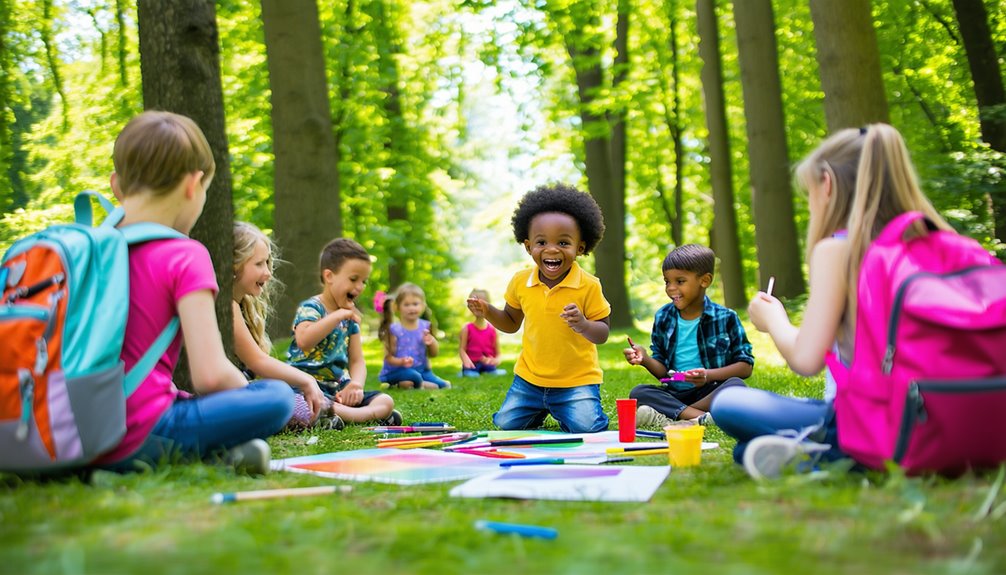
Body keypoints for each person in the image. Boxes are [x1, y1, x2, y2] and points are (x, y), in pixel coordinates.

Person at [710, 123, 952, 480]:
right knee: (749, 450)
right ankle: (815, 454)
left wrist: (773, 319)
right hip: (952, 420)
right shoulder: (940, 242)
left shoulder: (840, 250)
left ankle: (837, 455)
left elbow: (806, 360)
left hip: (877, 421)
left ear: (827, 184)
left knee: (729, 403)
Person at [95, 111, 295, 475]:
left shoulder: (92, 251)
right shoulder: (185, 255)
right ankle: (219, 448)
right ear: (194, 184)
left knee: (181, 400)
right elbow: (211, 376)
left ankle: (218, 451)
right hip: (140, 434)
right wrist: (248, 397)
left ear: (116, 185)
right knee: (278, 397)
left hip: (75, 429)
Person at [468, 183, 611, 433]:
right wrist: (488, 311)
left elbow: (602, 333)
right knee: (506, 423)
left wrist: (583, 324)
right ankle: (540, 409)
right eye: (541, 242)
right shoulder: (521, 281)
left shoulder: (589, 285)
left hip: (576, 382)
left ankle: (564, 408)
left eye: (564, 243)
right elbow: (511, 323)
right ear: (528, 246)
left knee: (587, 427)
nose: (552, 249)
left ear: (580, 247)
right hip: (529, 380)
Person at [232, 221, 349, 430]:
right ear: (234, 264)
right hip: (232, 395)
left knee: (283, 392)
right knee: (283, 396)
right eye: (259, 264)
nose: (268, 273)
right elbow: (257, 361)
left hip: (240, 392)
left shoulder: (239, 305)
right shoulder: (227, 306)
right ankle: (342, 413)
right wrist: (307, 381)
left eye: (268, 263)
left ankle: (329, 412)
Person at [623, 244, 754, 429]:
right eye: (667, 281)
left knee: (736, 386)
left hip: (710, 391)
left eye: (680, 281)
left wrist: (707, 376)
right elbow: (662, 372)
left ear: (705, 280)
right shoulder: (663, 317)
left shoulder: (726, 317)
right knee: (639, 392)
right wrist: (645, 359)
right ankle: (699, 419)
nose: (671, 288)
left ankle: (674, 417)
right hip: (675, 393)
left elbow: (745, 367)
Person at [286, 238, 401, 425]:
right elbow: (304, 340)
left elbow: (357, 360)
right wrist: (337, 316)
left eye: (364, 281)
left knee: (385, 401)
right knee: (302, 403)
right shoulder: (312, 308)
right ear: (329, 276)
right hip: (307, 386)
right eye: (353, 279)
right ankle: (354, 414)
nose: (360, 287)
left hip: (338, 388)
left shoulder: (349, 316)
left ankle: (340, 414)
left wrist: (356, 385)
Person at [378, 283, 452, 389]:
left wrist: (432, 342)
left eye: (415, 304)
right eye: (406, 305)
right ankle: (411, 384)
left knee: (444, 385)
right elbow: (388, 357)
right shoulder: (395, 329)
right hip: (398, 371)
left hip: (422, 371)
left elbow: (433, 354)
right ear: (398, 307)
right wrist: (401, 362)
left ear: (422, 306)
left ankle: (416, 385)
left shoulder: (425, 326)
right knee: (412, 376)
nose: (411, 308)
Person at [459, 288, 506, 378]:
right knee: (473, 376)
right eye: (473, 304)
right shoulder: (467, 328)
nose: (477, 307)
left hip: (488, 365)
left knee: (495, 374)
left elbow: (499, 354)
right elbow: (462, 349)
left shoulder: (492, 329)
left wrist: (496, 360)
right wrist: (466, 361)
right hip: (472, 365)